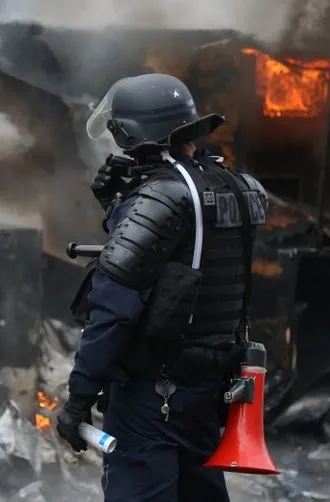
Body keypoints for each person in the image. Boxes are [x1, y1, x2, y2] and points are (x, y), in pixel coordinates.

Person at [56, 73, 269, 502]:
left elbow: (114, 310)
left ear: (134, 134)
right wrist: (121, 204)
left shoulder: (160, 197)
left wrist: (79, 396)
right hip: (209, 390)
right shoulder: (228, 186)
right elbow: (185, 252)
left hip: (152, 398)